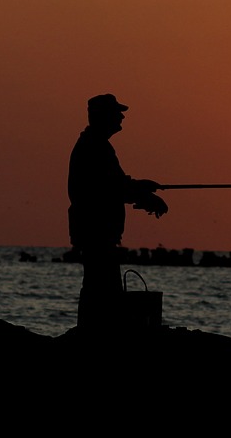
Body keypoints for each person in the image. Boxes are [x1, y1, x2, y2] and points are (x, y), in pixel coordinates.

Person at [67, 94, 168, 329]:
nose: (121, 116)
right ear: (103, 116)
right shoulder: (95, 146)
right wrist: (145, 195)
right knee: (101, 288)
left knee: (99, 287)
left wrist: (141, 188)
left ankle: (93, 332)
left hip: (95, 231)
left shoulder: (95, 145)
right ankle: (95, 334)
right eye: (116, 112)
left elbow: (115, 184)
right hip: (96, 231)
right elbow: (112, 187)